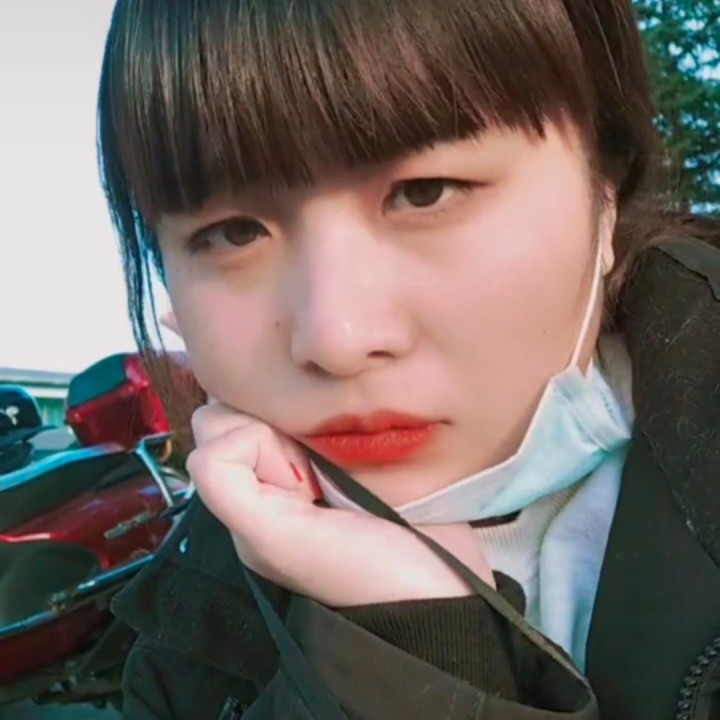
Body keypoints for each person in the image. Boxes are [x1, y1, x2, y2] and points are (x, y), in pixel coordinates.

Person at [97, 0, 720, 718]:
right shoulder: (184, 661)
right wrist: (409, 645)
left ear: (603, 193)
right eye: (233, 233)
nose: (336, 339)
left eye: (426, 193)